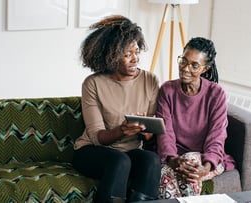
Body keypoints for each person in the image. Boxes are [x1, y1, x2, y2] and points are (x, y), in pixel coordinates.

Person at [72, 15, 161, 203]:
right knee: (119, 161)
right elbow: (98, 136)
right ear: (111, 56)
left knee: (151, 160)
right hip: (92, 151)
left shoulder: (150, 80)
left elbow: (151, 134)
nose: (135, 59)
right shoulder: (93, 83)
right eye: (127, 54)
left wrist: (146, 132)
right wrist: (122, 130)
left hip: (130, 151)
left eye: (136, 51)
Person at [155, 37, 236, 198]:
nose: (185, 68)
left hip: (207, 158)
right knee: (165, 176)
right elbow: (165, 132)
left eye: (194, 65)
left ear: (205, 69)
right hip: (176, 157)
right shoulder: (167, 90)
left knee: (189, 175)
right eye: (183, 61)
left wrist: (206, 167)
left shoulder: (216, 94)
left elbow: (217, 135)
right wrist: (172, 160)